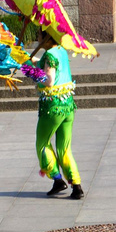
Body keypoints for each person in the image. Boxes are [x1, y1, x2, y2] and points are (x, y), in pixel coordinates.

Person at [33, 32, 83, 199]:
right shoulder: (60, 50)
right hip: (68, 105)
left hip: (53, 107)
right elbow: (45, 65)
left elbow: (49, 80)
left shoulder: (49, 54)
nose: (38, 40)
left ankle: (56, 178)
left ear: (46, 38)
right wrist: (28, 61)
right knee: (64, 147)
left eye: (39, 36)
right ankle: (76, 185)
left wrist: (31, 72)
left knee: (42, 143)